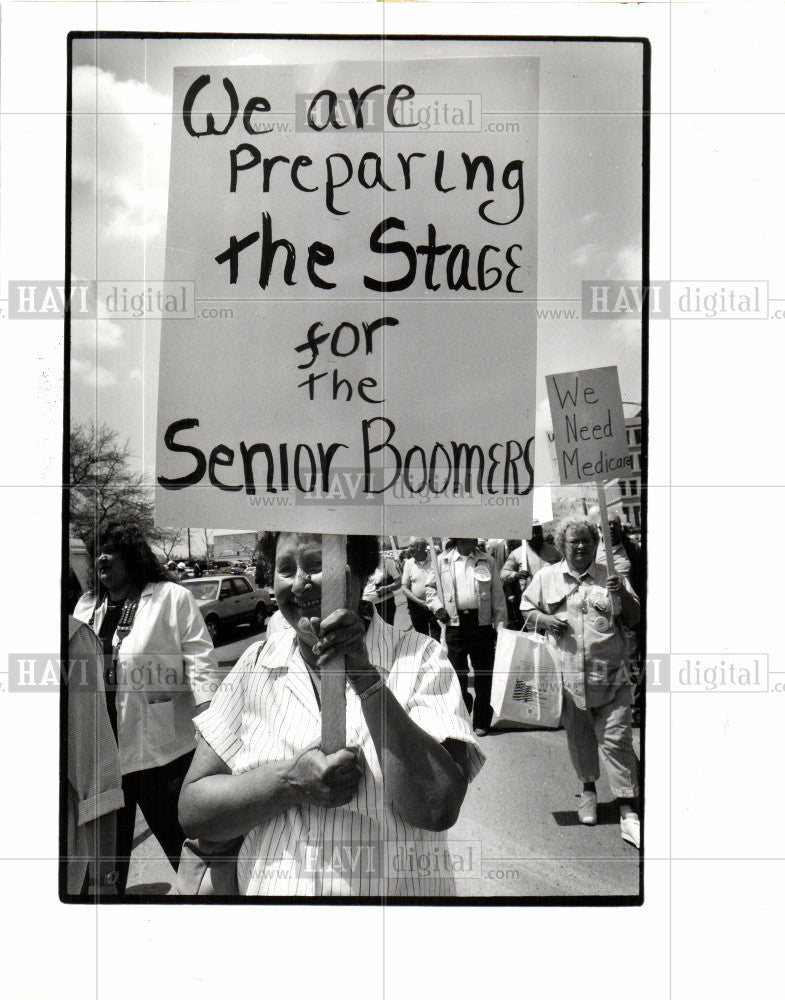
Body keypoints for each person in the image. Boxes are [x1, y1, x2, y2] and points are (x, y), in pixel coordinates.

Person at [178, 531, 483, 897]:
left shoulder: (420, 657)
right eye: (286, 569)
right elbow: (195, 812)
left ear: (361, 573)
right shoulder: (255, 664)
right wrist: (289, 782)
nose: (301, 584)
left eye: (318, 565)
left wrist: (366, 679)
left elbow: (437, 808)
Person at [73, 522, 219, 892]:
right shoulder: (88, 606)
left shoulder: (170, 597)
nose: (101, 558)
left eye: (111, 550)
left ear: (133, 557)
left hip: (163, 754)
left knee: (189, 856)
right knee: (106, 868)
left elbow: (200, 661)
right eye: (97, 552)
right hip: (105, 760)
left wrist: (212, 728)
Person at [520, 518, 641, 849]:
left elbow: (632, 618)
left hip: (612, 677)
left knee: (616, 741)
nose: (581, 546)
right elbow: (526, 609)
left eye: (587, 540)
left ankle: (627, 807)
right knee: (581, 739)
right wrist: (545, 620)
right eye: (574, 541)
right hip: (569, 678)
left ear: (595, 543)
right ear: (562, 545)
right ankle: (588, 791)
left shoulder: (610, 575)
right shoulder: (547, 577)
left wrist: (623, 597)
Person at [66, 567, 124, 897]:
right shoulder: (86, 614)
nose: (103, 558)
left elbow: (97, 778)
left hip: (152, 745)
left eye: (114, 548)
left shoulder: (73, 637)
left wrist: (104, 882)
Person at [426, 538, 507, 736]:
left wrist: (501, 625)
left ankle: (481, 721)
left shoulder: (487, 560)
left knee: (484, 675)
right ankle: (461, 714)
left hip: (482, 624)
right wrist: (437, 608)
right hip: (455, 624)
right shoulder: (441, 561)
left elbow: (498, 595)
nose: (472, 538)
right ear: (457, 536)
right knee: (456, 675)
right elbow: (430, 589)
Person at [501, 525, 560, 629]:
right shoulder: (518, 553)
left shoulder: (554, 551)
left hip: (553, 600)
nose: (535, 536)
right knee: (534, 636)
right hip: (531, 603)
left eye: (538, 532)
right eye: (532, 533)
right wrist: (516, 574)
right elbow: (503, 574)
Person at [400, 537, 439, 638]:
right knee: (421, 638)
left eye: (412, 546)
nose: (410, 549)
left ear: (422, 547)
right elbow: (404, 588)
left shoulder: (435, 561)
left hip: (434, 606)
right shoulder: (409, 564)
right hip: (417, 608)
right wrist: (420, 602)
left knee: (436, 637)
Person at [362, 548, 402, 625]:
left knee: (386, 632)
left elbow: (399, 582)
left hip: (385, 603)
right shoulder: (364, 562)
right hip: (367, 603)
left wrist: (386, 588)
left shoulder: (386, 562)